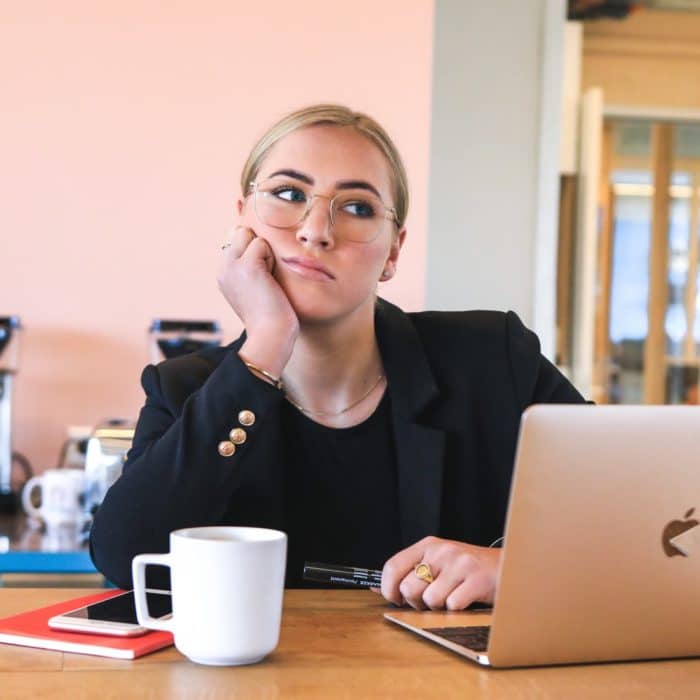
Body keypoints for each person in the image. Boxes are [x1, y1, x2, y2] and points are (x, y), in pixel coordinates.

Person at [90, 103, 586, 611]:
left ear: (393, 251)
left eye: (357, 207)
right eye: (288, 195)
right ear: (242, 221)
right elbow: (125, 557)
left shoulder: (493, 359)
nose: (315, 230)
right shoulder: (185, 389)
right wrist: (264, 346)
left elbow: (643, 517)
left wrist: (517, 569)